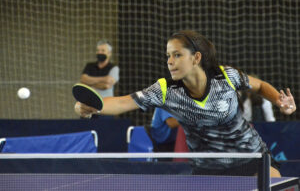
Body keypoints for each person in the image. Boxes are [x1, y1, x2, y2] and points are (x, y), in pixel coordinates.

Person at [74, 30, 296, 177]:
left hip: (252, 158)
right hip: (208, 168)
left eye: (177, 55)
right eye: (168, 55)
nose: (170, 61)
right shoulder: (165, 90)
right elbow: (124, 102)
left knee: (272, 184)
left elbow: (259, 86)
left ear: (196, 58)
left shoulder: (226, 76)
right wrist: (95, 105)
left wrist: (279, 100)